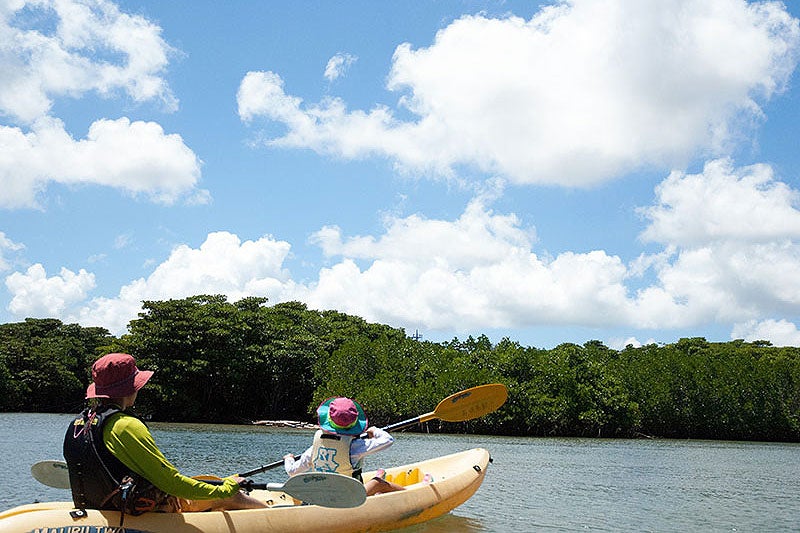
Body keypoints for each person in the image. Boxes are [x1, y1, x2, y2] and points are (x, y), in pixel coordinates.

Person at [63, 352, 267, 516]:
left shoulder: (80, 423)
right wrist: (227, 488)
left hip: (101, 505)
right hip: (139, 509)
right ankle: (274, 516)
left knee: (208, 479)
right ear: (130, 388)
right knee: (230, 496)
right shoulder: (126, 426)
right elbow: (171, 482)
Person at [283, 396, 407, 496]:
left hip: (321, 495)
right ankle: (411, 494)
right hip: (349, 498)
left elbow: (292, 471)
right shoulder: (356, 446)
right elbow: (388, 440)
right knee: (377, 483)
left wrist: (289, 459)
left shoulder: (316, 446)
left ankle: (380, 477)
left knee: (374, 480)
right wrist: (374, 431)